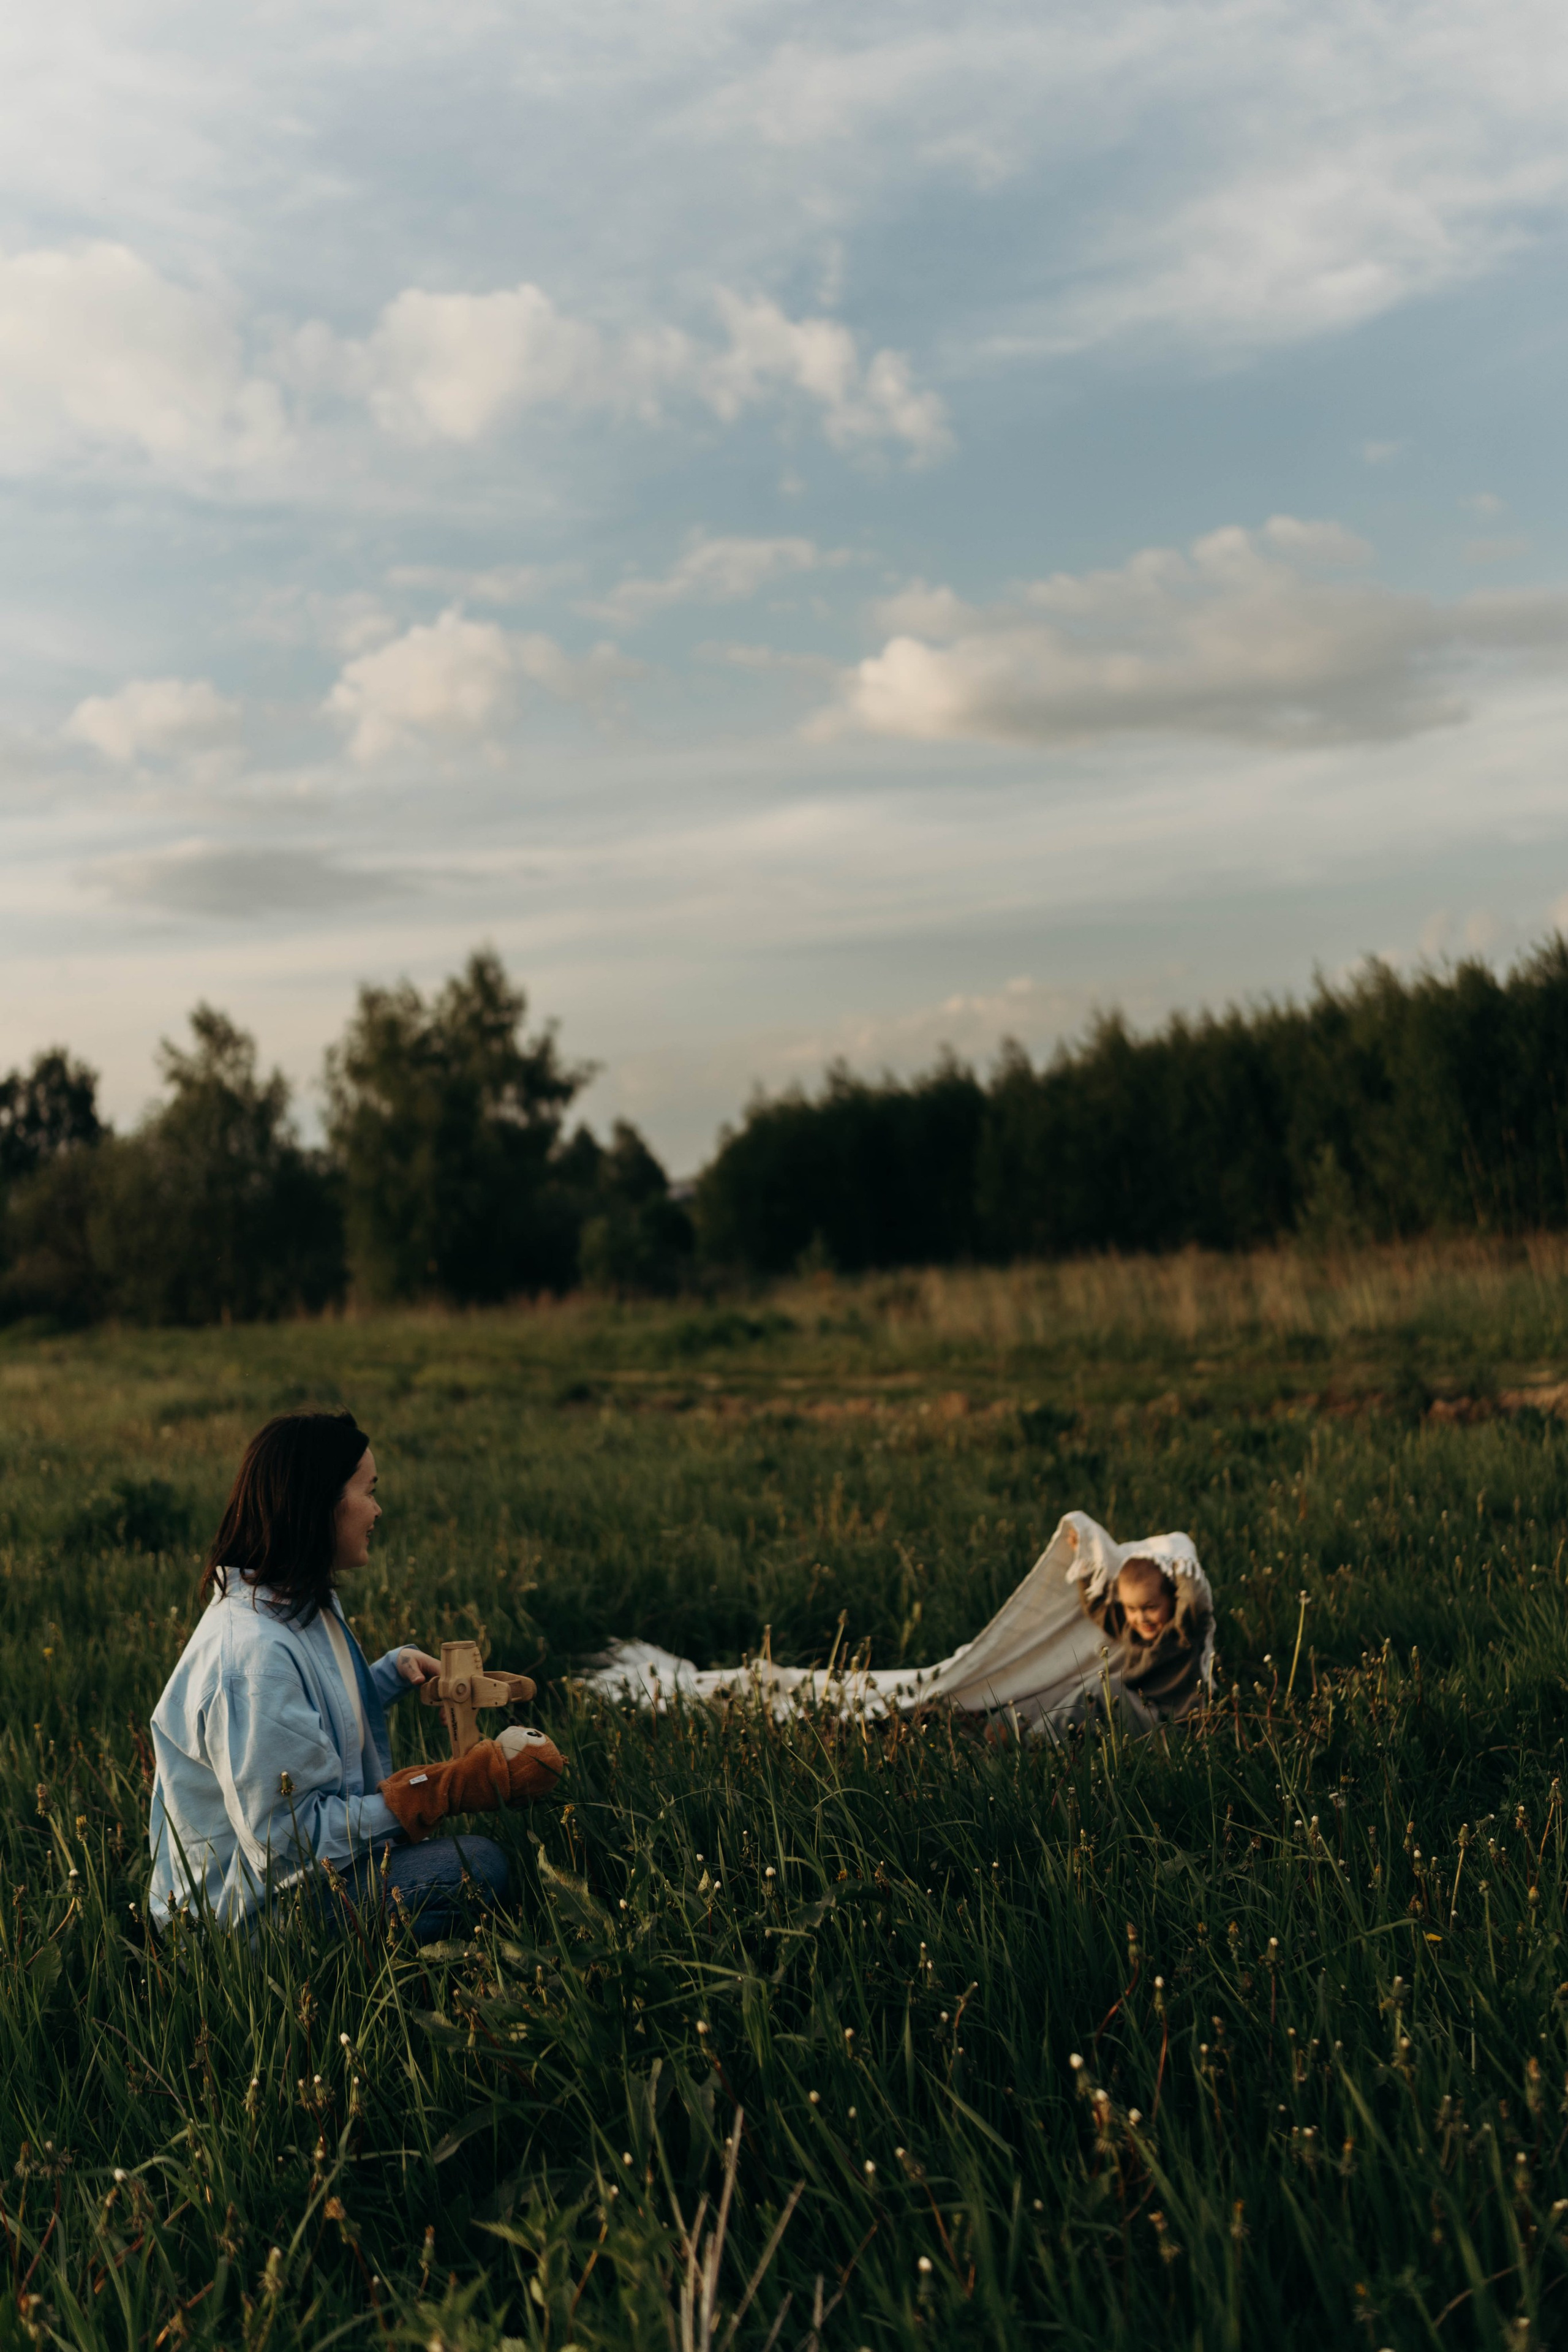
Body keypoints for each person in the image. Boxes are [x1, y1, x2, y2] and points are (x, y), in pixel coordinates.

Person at [148, 1410, 562, 1939]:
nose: (378, 1509)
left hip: (273, 1884)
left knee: (470, 1865)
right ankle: (367, 1978)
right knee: (478, 1867)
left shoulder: (295, 1603)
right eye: (369, 1490)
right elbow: (286, 1842)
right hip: (241, 1918)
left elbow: (300, 1726)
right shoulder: (252, 1661)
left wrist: (385, 1677)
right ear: (320, 1503)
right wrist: (438, 1791)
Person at [1050, 1550, 1212, 1734]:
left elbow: (1193, 1600)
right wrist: (1085, 1564)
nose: (1141, 1618)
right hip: (1140, 1713)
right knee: (1082, 1692)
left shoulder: (1181, 1632)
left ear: (1173, 1598)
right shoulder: (1129, 1629)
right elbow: (1096, 1606)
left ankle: (1031, 1741)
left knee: (1102, 1688)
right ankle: (1041, 1735)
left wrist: (1181, 1566)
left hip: (1172, 1725)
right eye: (1131, 1608)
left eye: (1150, 1607)